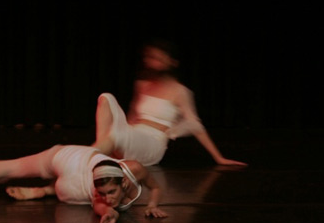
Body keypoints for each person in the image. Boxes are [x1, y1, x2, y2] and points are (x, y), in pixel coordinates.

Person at [92, 38, 247, 167]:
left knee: (116, 136)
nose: (153, 62)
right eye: (151, 58)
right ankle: (101, 148)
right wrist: (125, 135)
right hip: (134, 134)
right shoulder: (142, 85)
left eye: (159, 58)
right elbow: (132, 117)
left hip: (153, 143)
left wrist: (218, 158)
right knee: (105, 97)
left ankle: (90, 158)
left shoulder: (180, 91)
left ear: (172, 62)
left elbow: (195, 125)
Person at [0, 144, 168, 223]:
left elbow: (154, 189)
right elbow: (100, 205)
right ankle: (47, 190)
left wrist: (152, 205)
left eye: (112, 192)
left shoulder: (132, 169)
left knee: (13, 167)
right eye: (103, 193)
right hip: (69, 172)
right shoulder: (98, 187)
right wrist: (109, 212)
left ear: (123, 181)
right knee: (13, 168)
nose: (108, 198)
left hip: (70, 160)